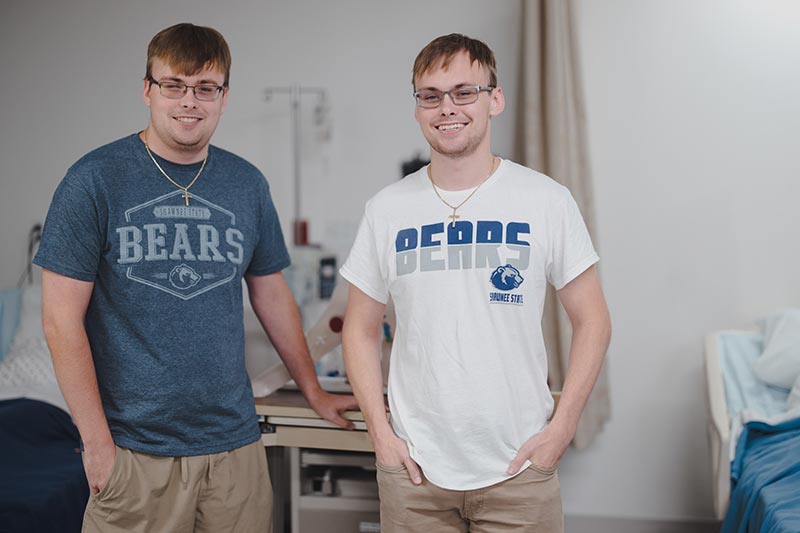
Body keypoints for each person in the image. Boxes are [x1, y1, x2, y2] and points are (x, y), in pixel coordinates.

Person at [34, 23, 357, 533]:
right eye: (174, 85)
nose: (190, 101)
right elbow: (59, 321)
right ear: (148, 90)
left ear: (224, 97)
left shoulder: (246, 184)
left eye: (206, 88)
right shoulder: (93, 180)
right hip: (135, 451)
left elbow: (272, 296)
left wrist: (311, 389)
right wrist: (96, 444)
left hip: (234, 448)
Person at [340, 33, 611, 532]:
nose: (447, 108)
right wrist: (381, 435)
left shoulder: (546, 200)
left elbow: (593, 320)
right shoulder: (386, 210)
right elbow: (358, 329)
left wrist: (562, 427)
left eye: (465, 92)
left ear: (495, 99)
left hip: (520, 469)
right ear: (418, 108)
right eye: (431, 96)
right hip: (414, 474)